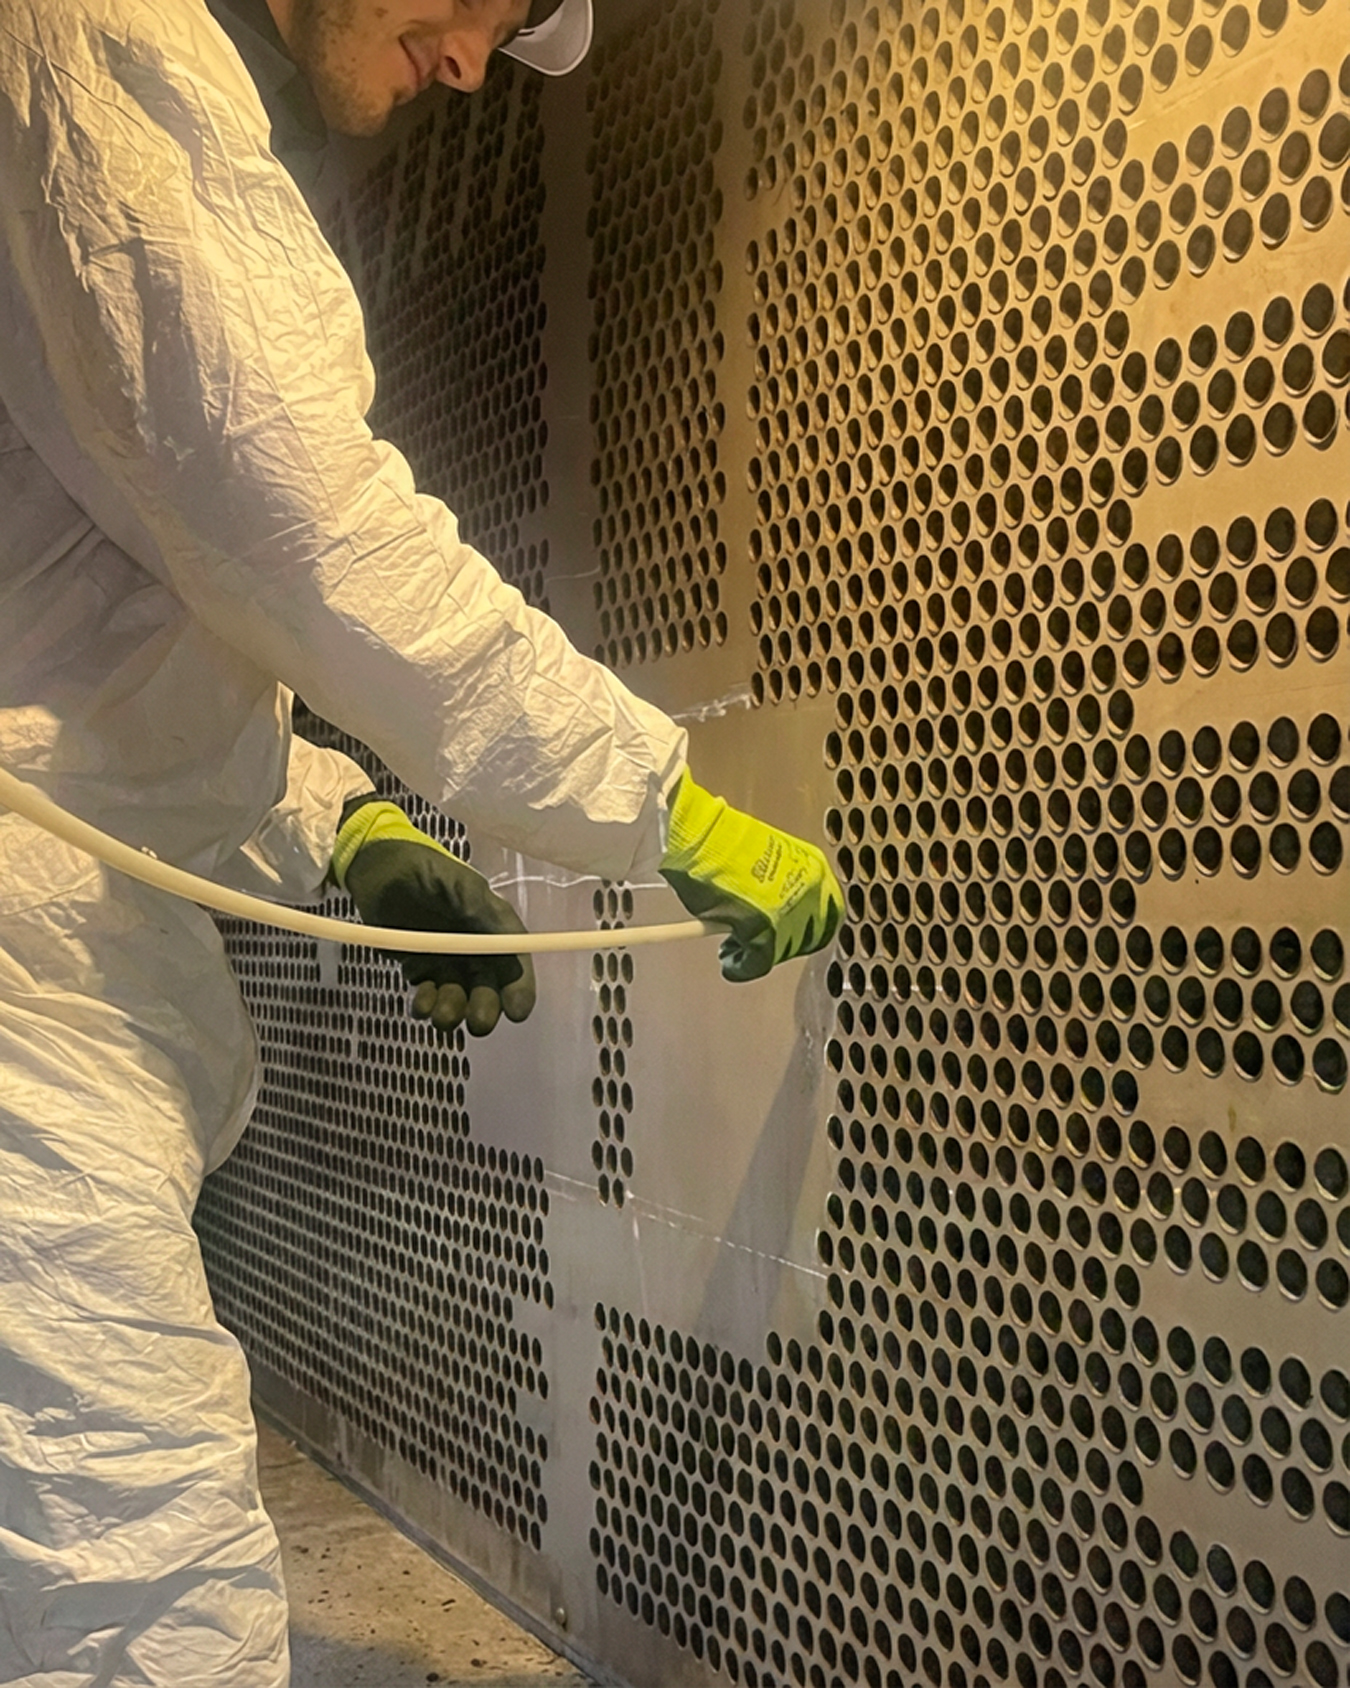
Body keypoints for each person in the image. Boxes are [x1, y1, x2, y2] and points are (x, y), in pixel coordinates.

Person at [0, 0, 843, 1681]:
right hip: (24, 1012)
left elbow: (98, 658)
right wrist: (653, 799)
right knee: (142, 1601)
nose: (469, 61)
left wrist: (346, 823)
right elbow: (309, 531)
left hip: (50, 963)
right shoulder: (101, 43)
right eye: (487, 1)